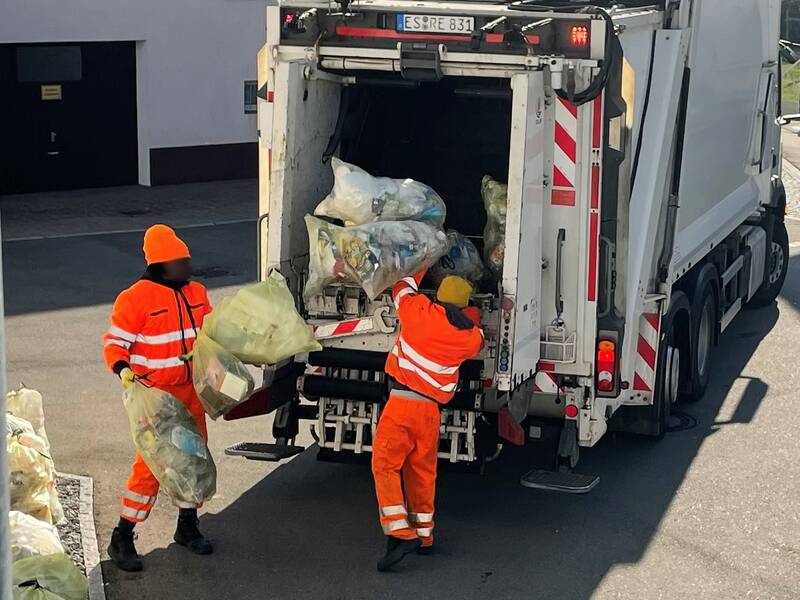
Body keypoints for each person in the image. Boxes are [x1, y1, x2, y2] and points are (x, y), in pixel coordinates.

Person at [103, 224, 213, 572]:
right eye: (182, 261)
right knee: (151, 467)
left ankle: (187, 526)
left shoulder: (197, 292)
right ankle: (123, 534)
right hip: (156, 398)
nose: (188, 267)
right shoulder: (135, 298)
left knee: (192, 461)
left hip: (191, 393)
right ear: (162, 264)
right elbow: (114, 343)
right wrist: (122, 369)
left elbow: (211, 334)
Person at [372, 272, 483, 572]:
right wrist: (469, 314)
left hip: (402, 405)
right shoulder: (468, 338)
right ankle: (424, 535)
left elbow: (401, 287)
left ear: (438, 298)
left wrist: (419, 264)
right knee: (421, 472)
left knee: (385, 465)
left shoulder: (418, 311)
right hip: (430, 412)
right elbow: (479, 333)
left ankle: (399, 531)